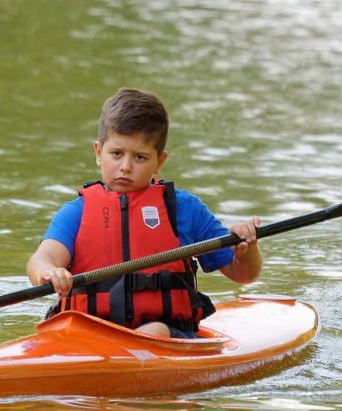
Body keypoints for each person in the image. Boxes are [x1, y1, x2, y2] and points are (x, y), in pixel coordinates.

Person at [26, 88, 262, 338]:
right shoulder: (76, 212)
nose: (125, 167)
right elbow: (41, 259)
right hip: (90, 335)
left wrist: (247, 250)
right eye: (116, 154)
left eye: (140, 157)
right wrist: (48, 271)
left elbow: (244, 274)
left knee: (156, 330)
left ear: (159, 162)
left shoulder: (184, 209)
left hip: (167, 337)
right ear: (98, 153)